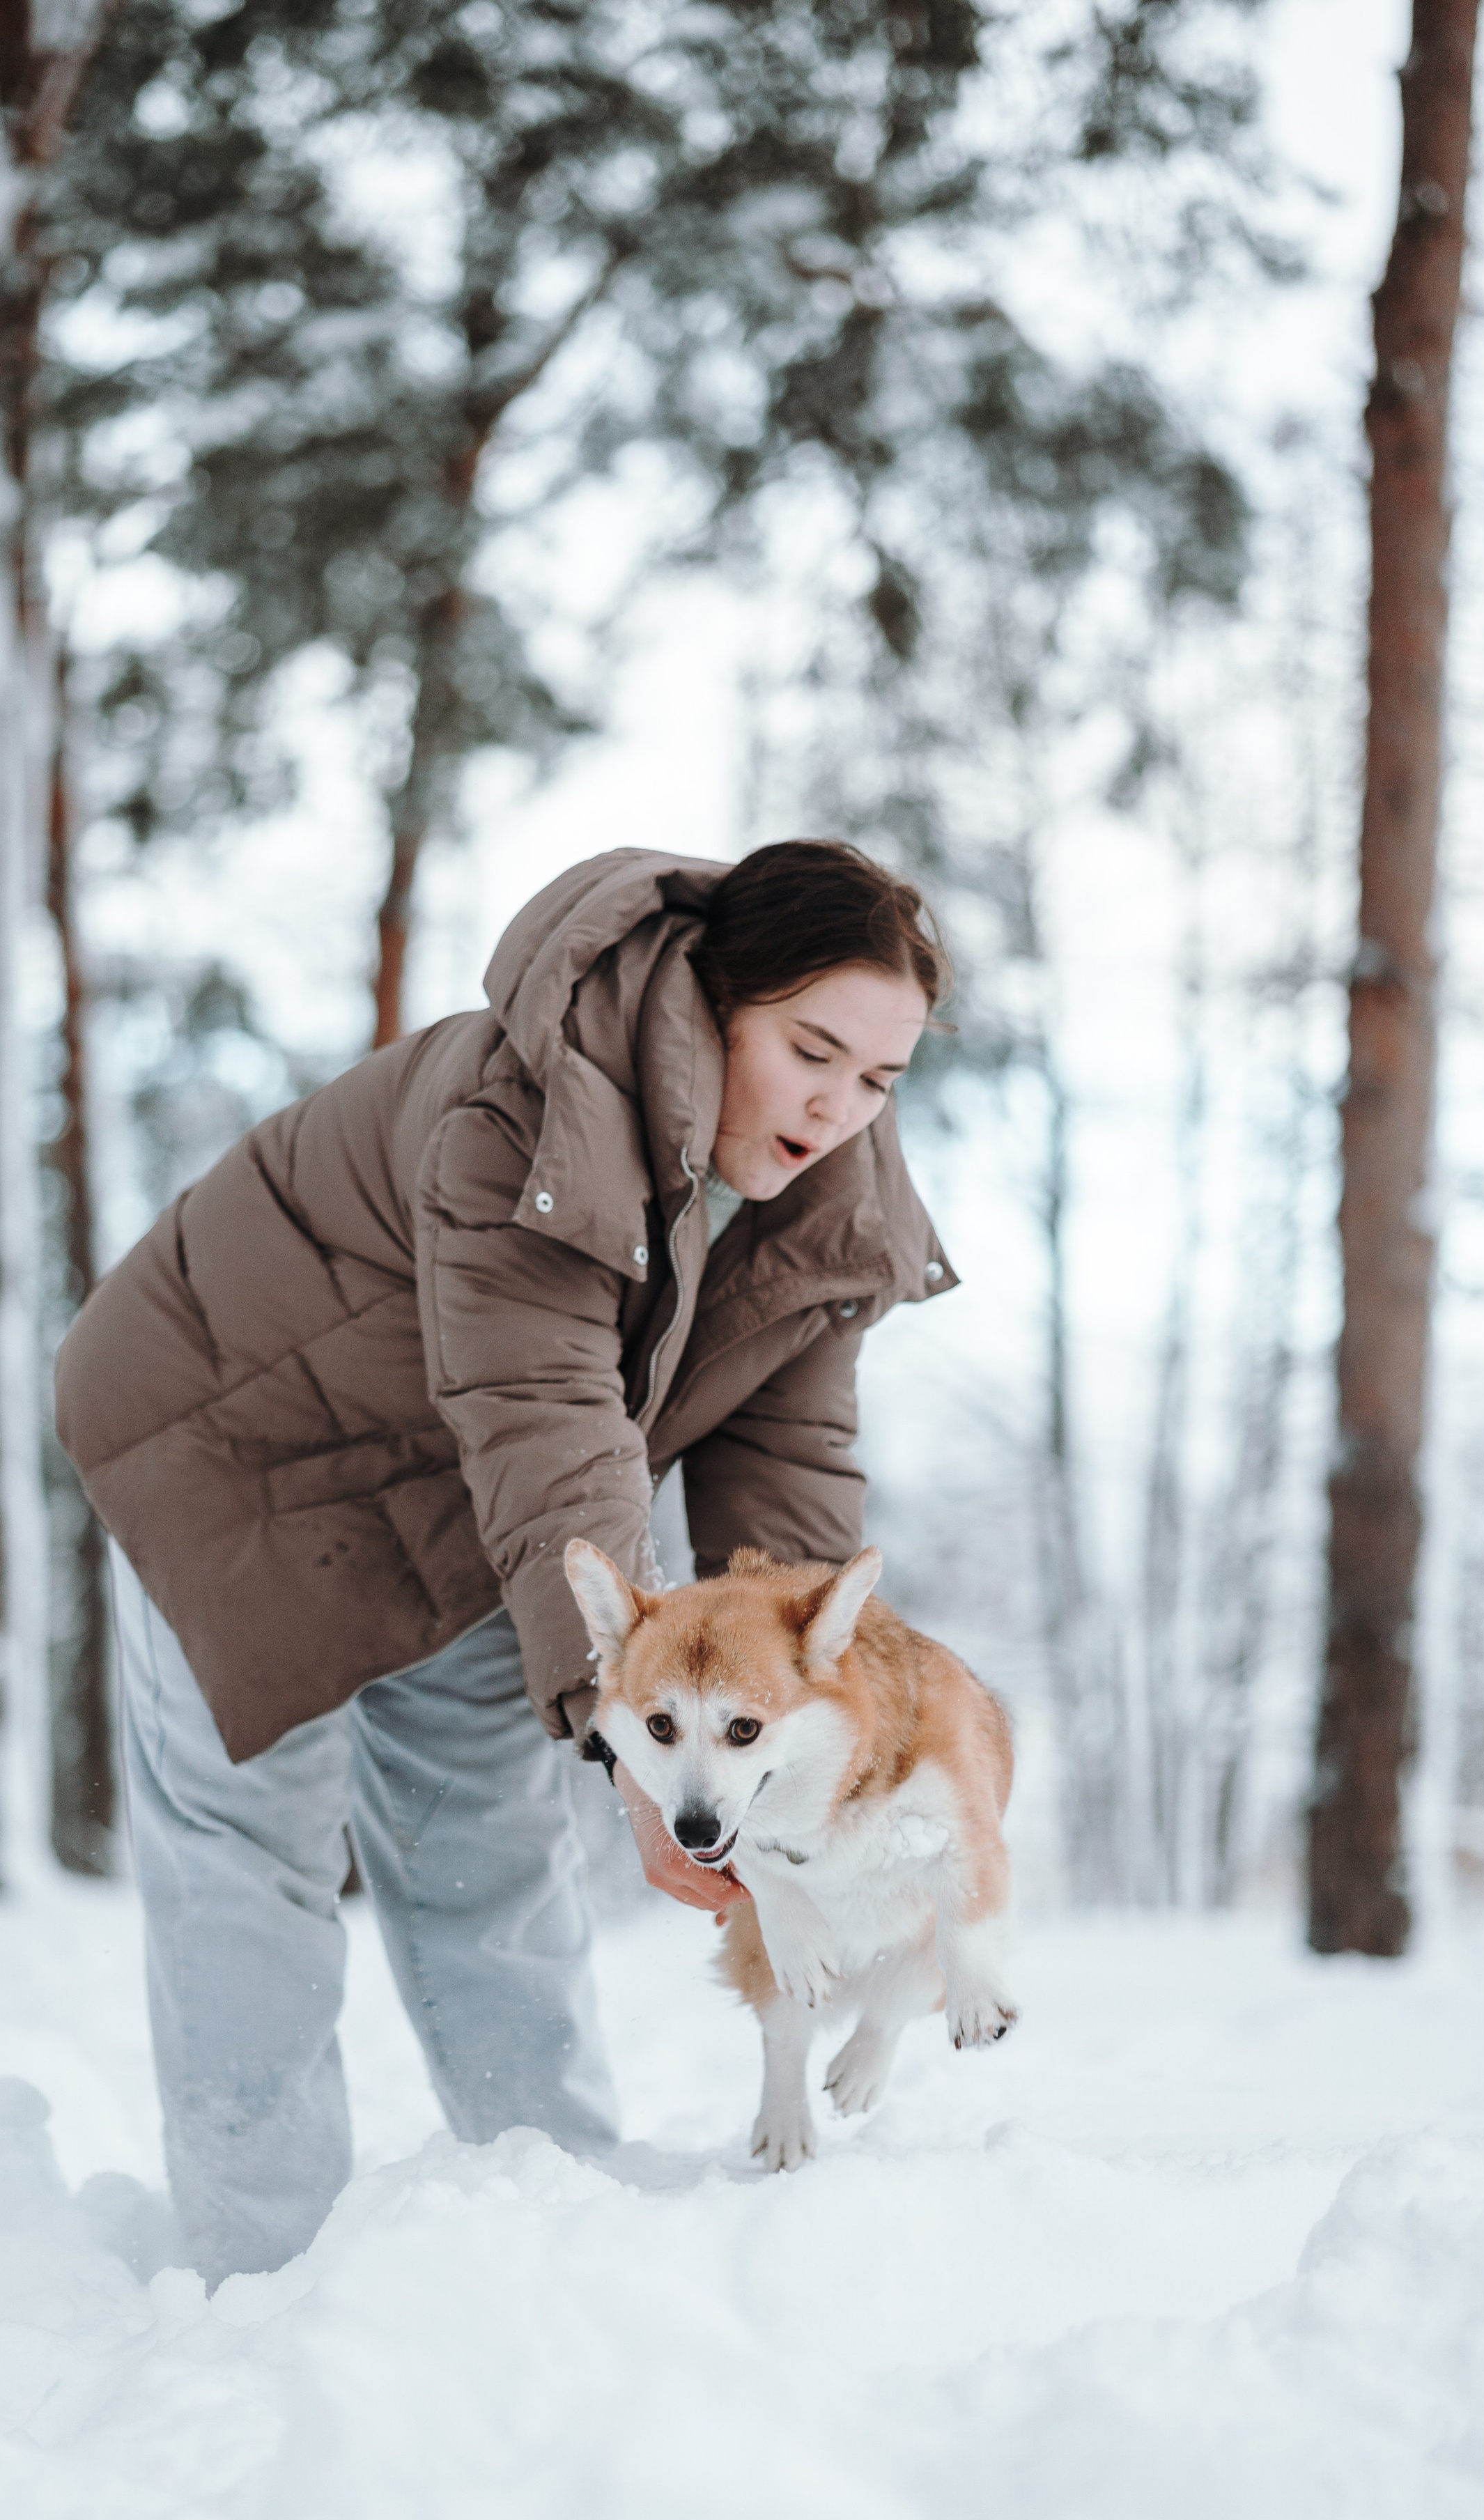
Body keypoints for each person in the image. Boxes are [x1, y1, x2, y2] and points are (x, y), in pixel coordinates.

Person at [55, 840, 957, 2283]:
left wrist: (820, 1754)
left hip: (471, 1498)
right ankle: (254, 2279)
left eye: (878, 1079)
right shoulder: (531, 1108)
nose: (836, 1108)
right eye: (810, 1052)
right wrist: (639, 1761)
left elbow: (781, 1494)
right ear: (715, 1000)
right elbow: (544, 1418)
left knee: (488, 1857)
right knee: (252, 1863)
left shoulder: (827, 1211)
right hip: (235, 1448)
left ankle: (550, 2241)